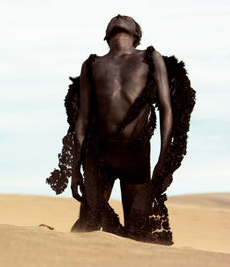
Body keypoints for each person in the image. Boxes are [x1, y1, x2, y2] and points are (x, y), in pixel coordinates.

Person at [71, 14, 172, 233]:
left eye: (127, 19)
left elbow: (166, 108)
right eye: (113, 19)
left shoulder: (151, 57)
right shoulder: (91, 64)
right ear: (106, 36)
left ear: (137, 35)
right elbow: (83, 118)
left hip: (135, 155)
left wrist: (164, 160)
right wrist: (74, 168)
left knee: (138, 232)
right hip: (99, 155)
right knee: (86, 228)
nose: (119, 17)